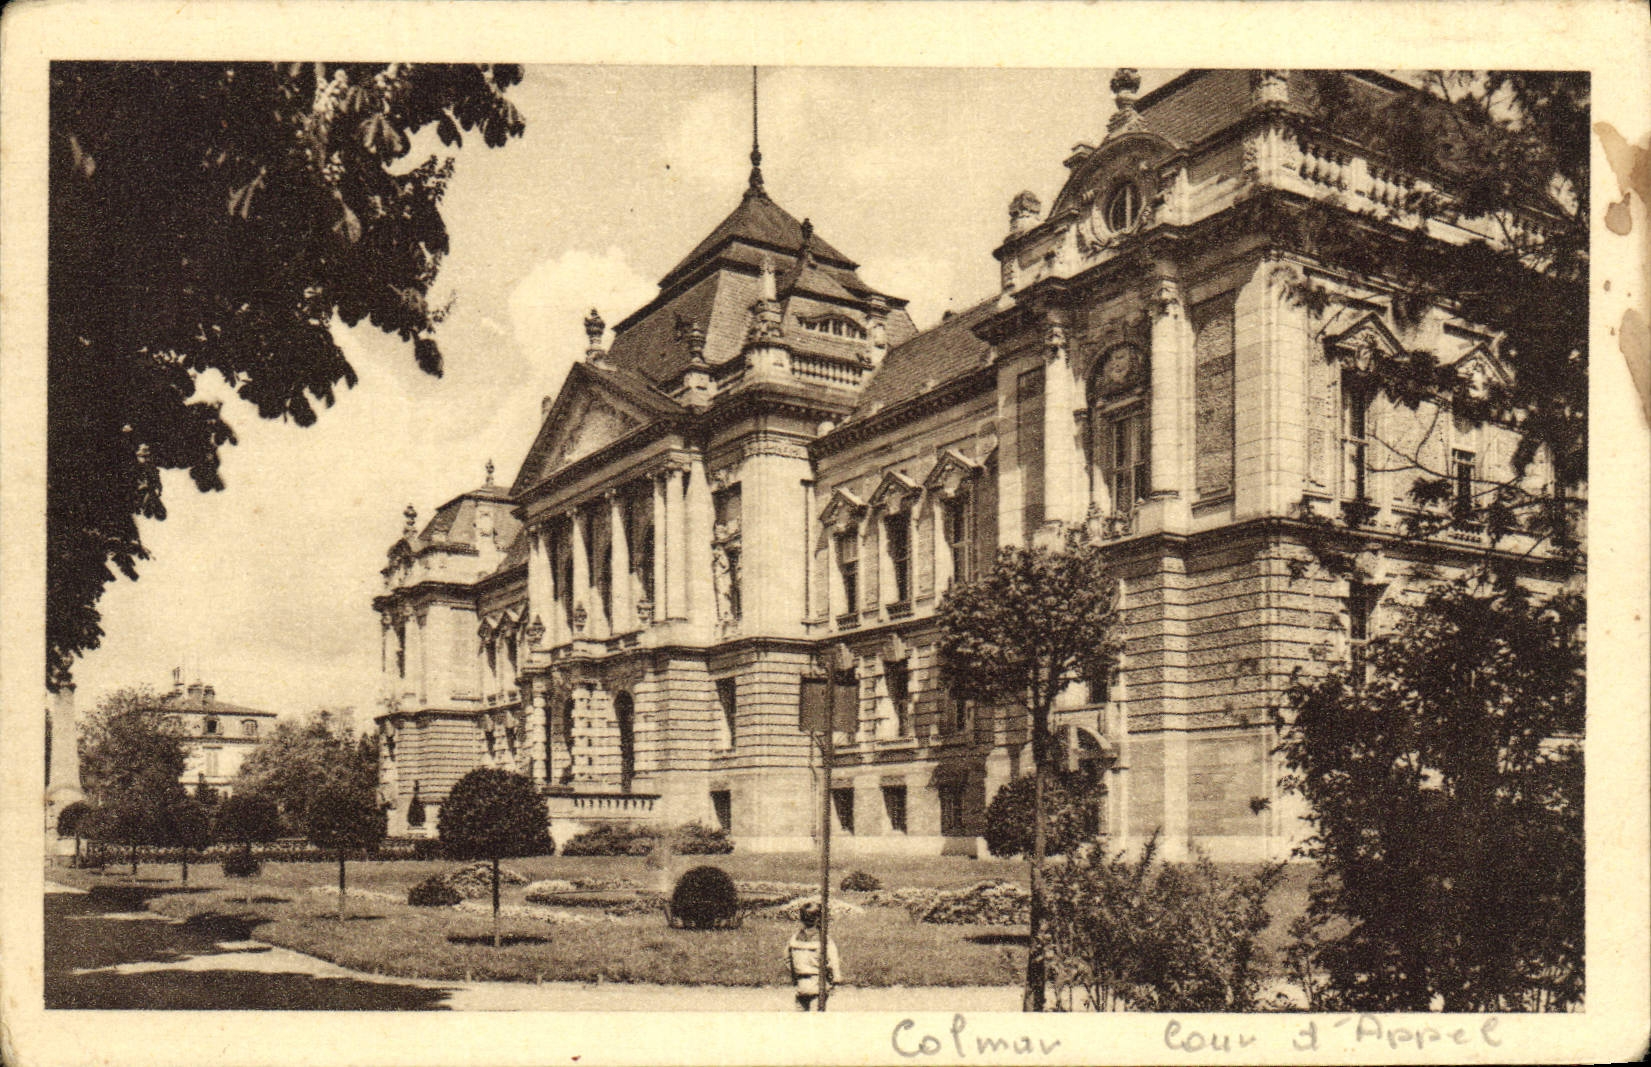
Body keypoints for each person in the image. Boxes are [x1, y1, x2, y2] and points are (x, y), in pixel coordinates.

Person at [786, 901, 843, 1011]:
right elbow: (833, 961)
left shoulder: (794, 939)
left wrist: (796, 974)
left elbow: (787, 959)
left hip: (801, 984)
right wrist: (835, 980)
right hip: (819, 984)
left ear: (801, 919)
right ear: (818, 919)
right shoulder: (825, 940)